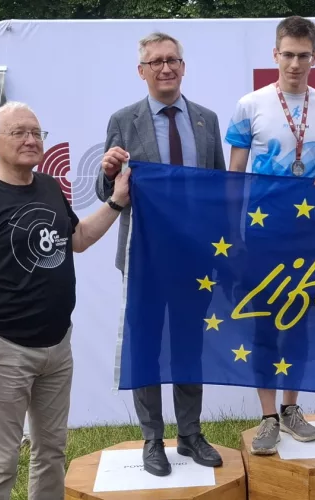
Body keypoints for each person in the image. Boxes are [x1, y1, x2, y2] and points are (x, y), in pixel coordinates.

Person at [0, 101, 129, 500]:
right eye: (18, 132)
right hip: (5, 349)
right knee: (0, 461)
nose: (31, 140)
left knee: (51, 450)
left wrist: (116, 201)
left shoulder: (50, 186)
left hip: (57, 346)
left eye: (36, 132)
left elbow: (78, 239)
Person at [96, 32, 227, 477]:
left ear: (183, 67)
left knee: (189, 345)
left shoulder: (207, 120)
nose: (166, 68)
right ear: (142, 71)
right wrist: (108, 172)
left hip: (195, 257)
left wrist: (222, 249)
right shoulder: (123, 120)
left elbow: (219, 188)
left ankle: (190, 434)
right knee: (147, 348)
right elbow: (106, 189)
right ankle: (153, 439)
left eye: (173, 60)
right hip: (145, 257)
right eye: (156, 62)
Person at [224, 15, 315, 456]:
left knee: (299, 322)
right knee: (263, 323)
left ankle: (291, 408)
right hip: (261, 234)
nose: (295, 64)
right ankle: (267, 417)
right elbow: (235, 175)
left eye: (303, 55)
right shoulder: (249, 104)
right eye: (288, 55)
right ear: (275, 55)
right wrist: (233, 234)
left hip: (308, 235)